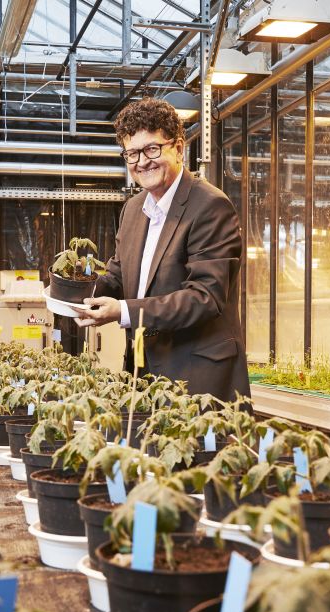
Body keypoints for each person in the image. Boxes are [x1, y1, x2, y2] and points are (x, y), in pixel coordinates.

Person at [74, 97, 250, 403]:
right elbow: (117, 275)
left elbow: (204, 297)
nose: (142, 162)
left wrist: (124, 311)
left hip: (198, 378)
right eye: (131, 154)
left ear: (179, 148)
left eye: (151, 149)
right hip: (144, 373)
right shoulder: (133, 209)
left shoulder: (209, 206)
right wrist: (69, 290)